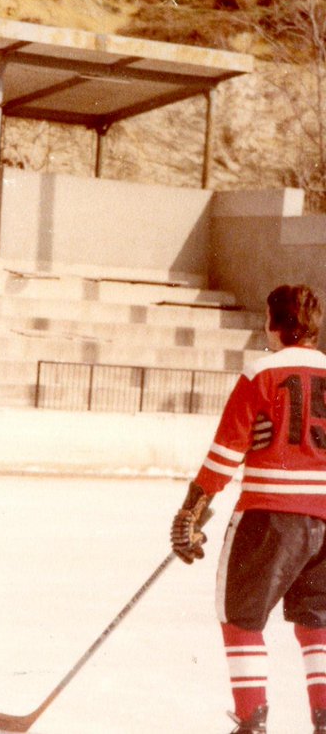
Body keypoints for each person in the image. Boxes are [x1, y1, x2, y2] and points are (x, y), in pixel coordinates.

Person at [169, 284, 326, 734]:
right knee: (318, 621)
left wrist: (191, 511)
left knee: (241, 616)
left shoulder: (262, 372)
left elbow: (225, 452)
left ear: (272, 324)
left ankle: (252, 721)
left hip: (270, 514)